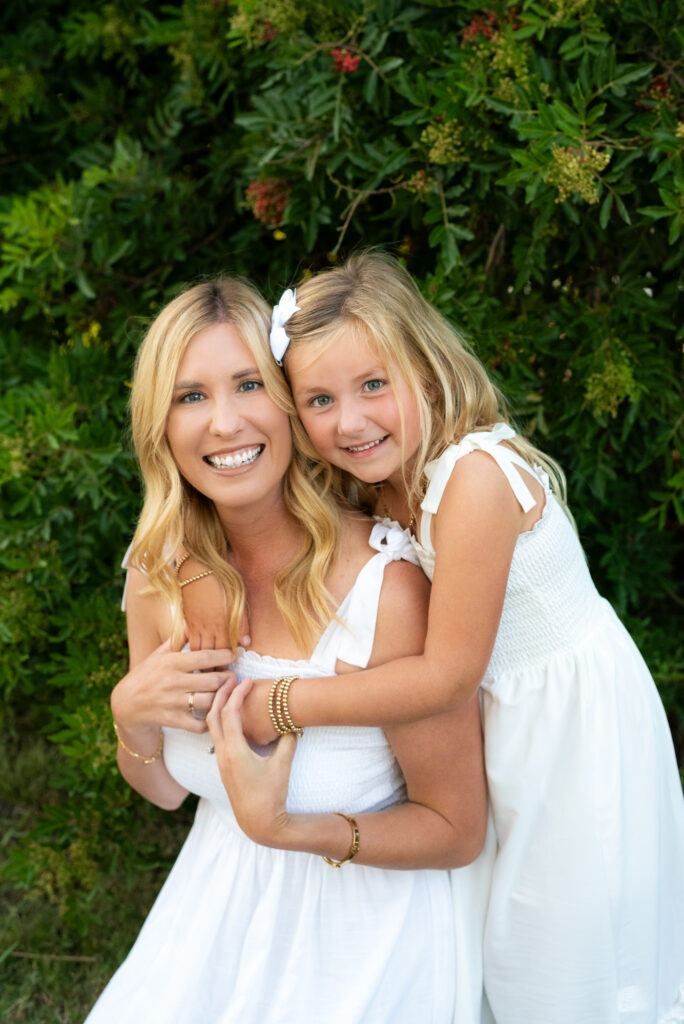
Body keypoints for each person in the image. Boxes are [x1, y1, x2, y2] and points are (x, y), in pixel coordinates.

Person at [185, 253, 684, 1024]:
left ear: (426, 367)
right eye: (320, 400)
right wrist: (201, 581)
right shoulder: (380, 482)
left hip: (567, 735)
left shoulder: (473, 476)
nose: (350, 421)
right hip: (496, 728)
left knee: (572, 954)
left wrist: (278, 703)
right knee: (498, 944)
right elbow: (217, 521)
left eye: (373, 385)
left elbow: (448, 674)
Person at [84, 276, 488, 1024]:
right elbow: (166, 790)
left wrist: (289, 831)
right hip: (212, 919)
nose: (225, 423)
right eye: (191, 396)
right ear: (160, 425)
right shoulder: (158, 575)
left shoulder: (383, 589)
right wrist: (129, 714)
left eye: (249, 385)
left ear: (294, 406)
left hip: (364, 939)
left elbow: (456, 831)